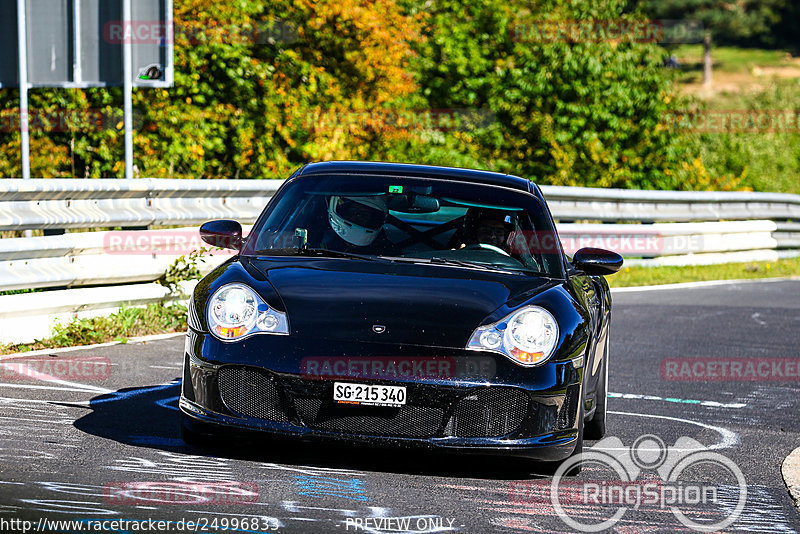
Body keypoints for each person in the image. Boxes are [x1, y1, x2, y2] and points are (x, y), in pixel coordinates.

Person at [325, 195, 397, 253]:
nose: (359, 217)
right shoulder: (320, 239)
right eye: (353, 211)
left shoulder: (386, 251)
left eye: (365, 215)